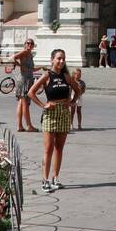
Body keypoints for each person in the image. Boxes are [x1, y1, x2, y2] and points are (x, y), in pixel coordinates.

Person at [29, 48, 81, 191]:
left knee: (59, 148)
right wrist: (43, 105)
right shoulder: (47, 75)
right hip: (50, 114)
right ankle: (45, 180)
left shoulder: (66, 76)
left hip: (63, 113)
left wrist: (72, 102)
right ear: (52, 60)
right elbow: (31, 92)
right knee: (48, 149)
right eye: (58, 58)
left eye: (63, 59)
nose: (61, 61)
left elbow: (78, 89)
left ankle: (55, 178)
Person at [6, 39, 36, 132]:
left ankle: (20, 126)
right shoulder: (24, 52)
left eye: (31, 43)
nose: (29, 44)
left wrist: (42, 68)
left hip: (27, 79)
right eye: (28, 43)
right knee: (25, 103)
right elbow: (11, 58)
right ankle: (29, 126)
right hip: (24, 80)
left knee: (20, 103)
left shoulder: (30, 54)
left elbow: (31, 69)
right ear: (24, 45)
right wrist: (20, 66)